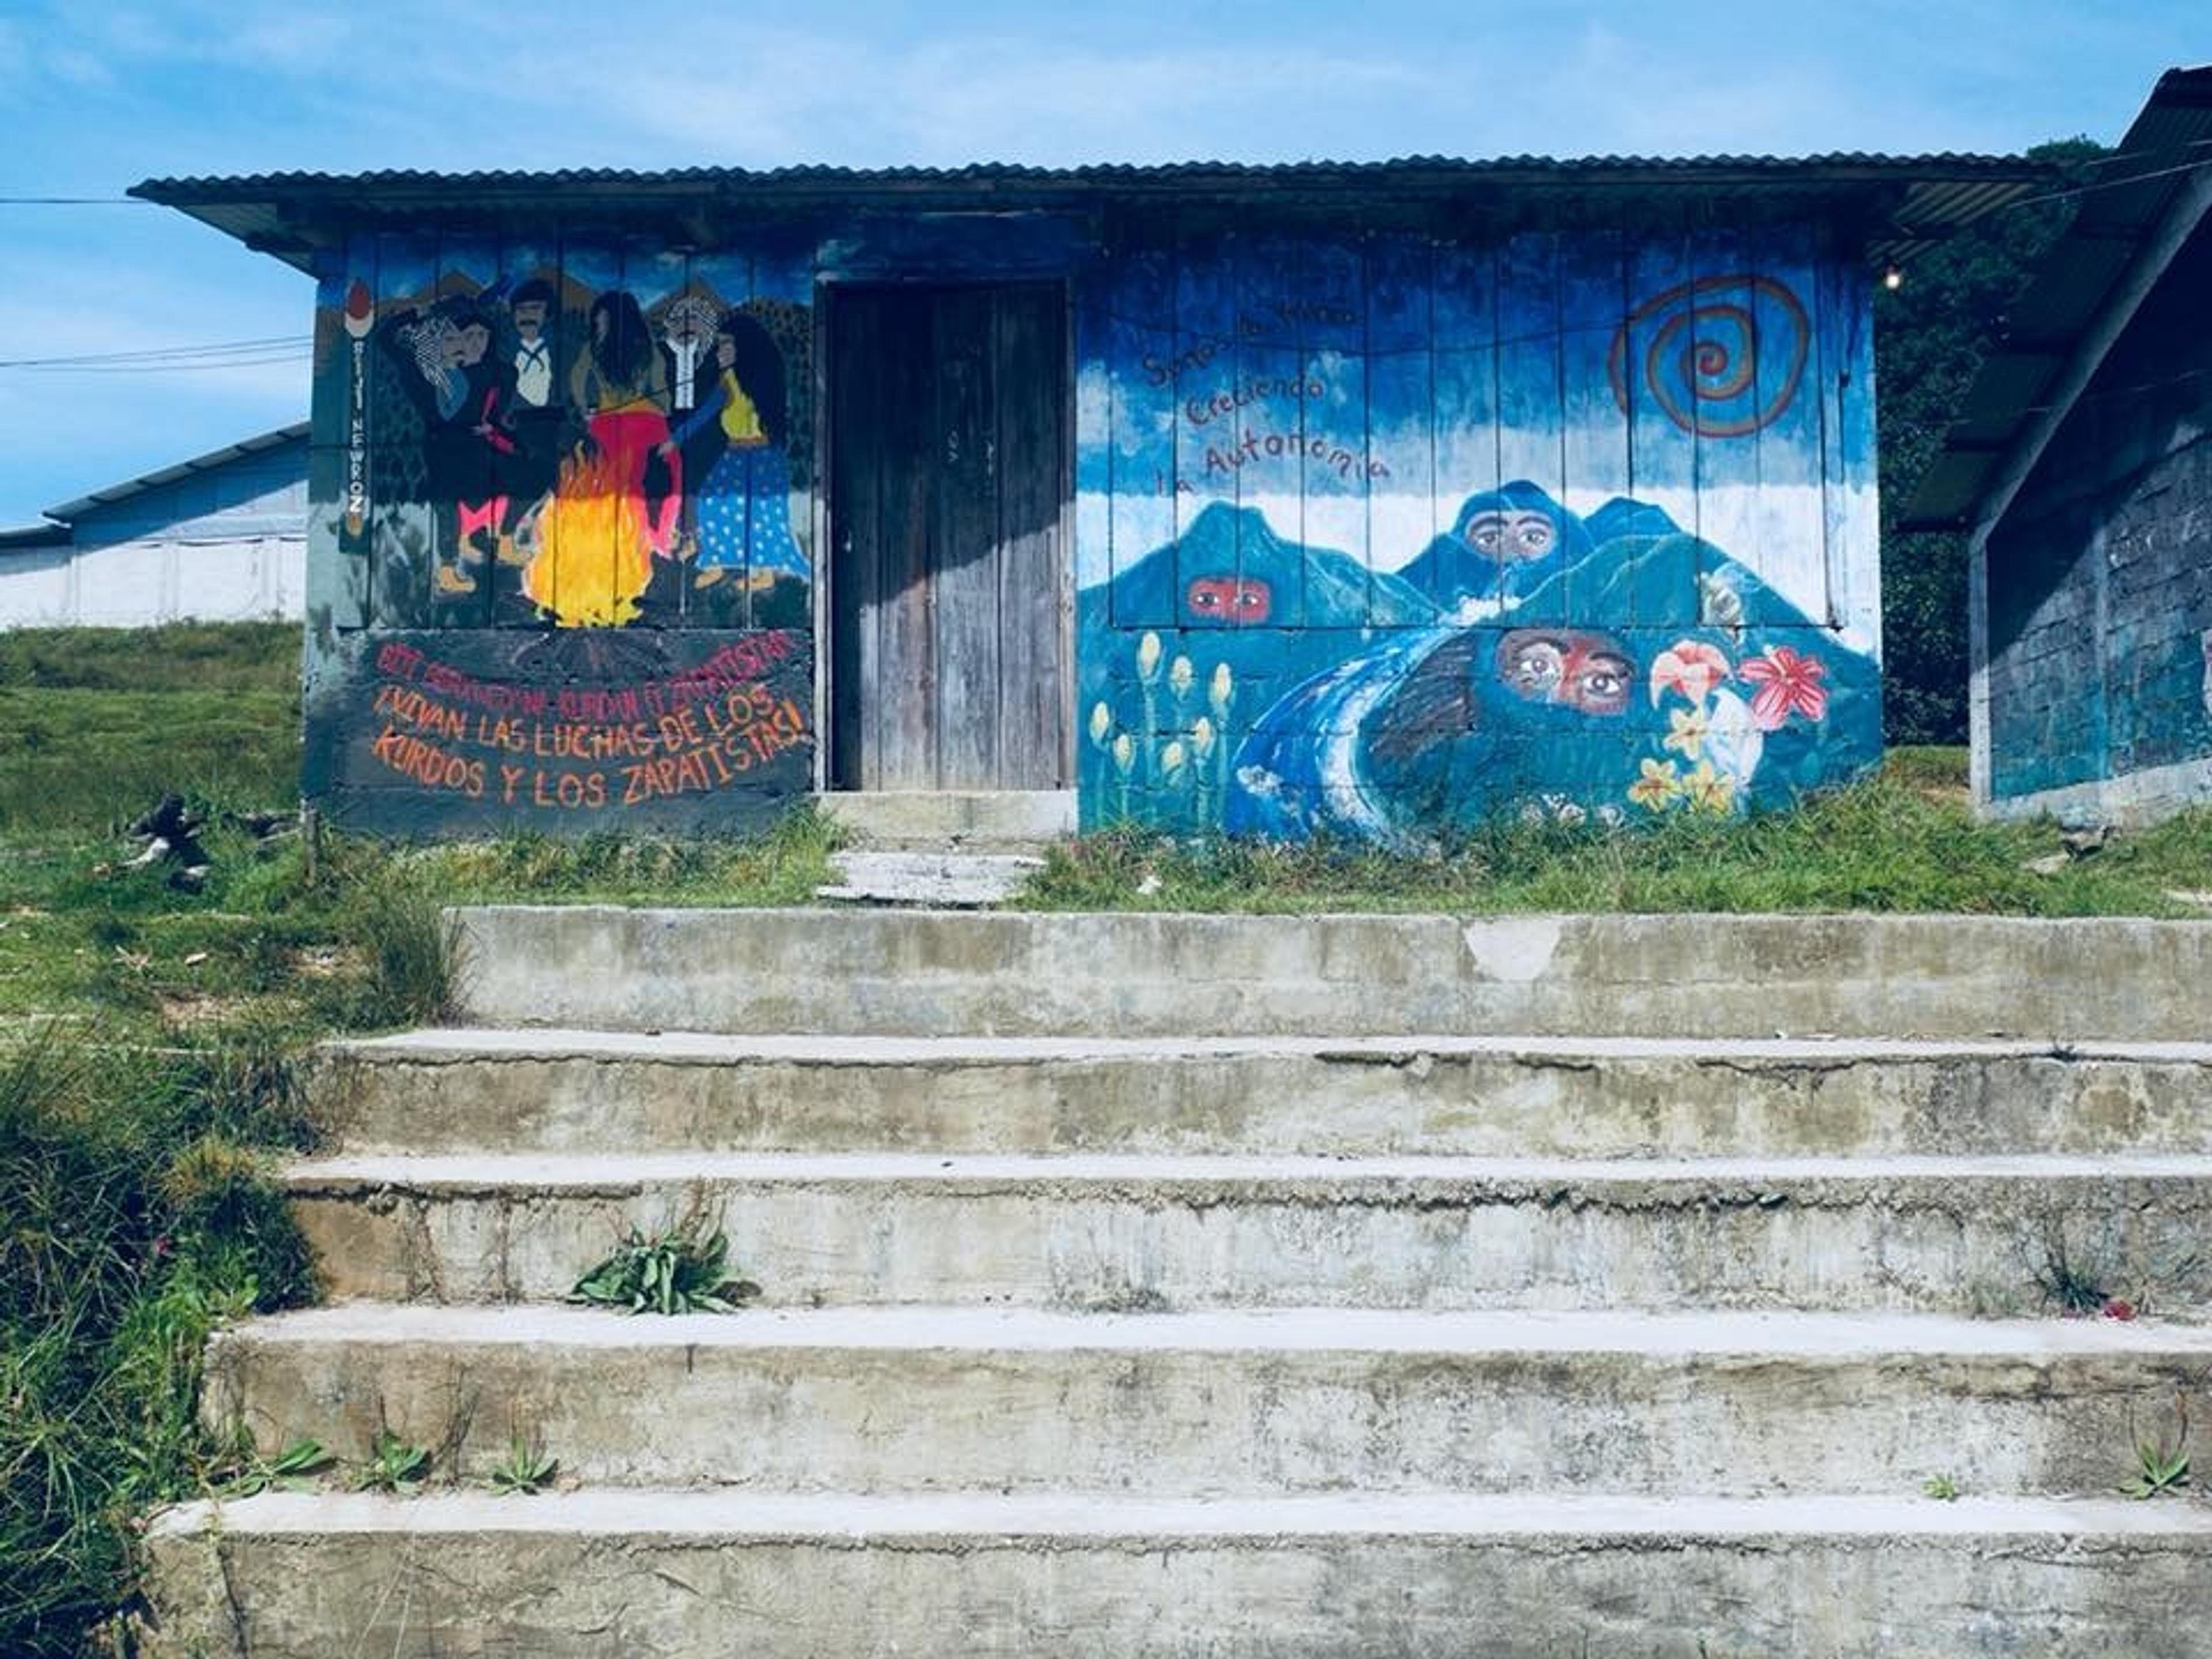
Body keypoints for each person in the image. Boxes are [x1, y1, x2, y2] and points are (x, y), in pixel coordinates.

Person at [663, 308, 807, 592]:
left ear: (744, 347)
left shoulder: (762, 381)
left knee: (762, 513)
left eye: (726, 344)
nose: (721, 351)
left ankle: (764, 572)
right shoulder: (727, 380)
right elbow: (705, 413)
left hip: (762, 456)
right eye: (720, 345)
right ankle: (715, 562)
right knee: (710, 502)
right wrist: (676, 439)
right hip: (734, 454)